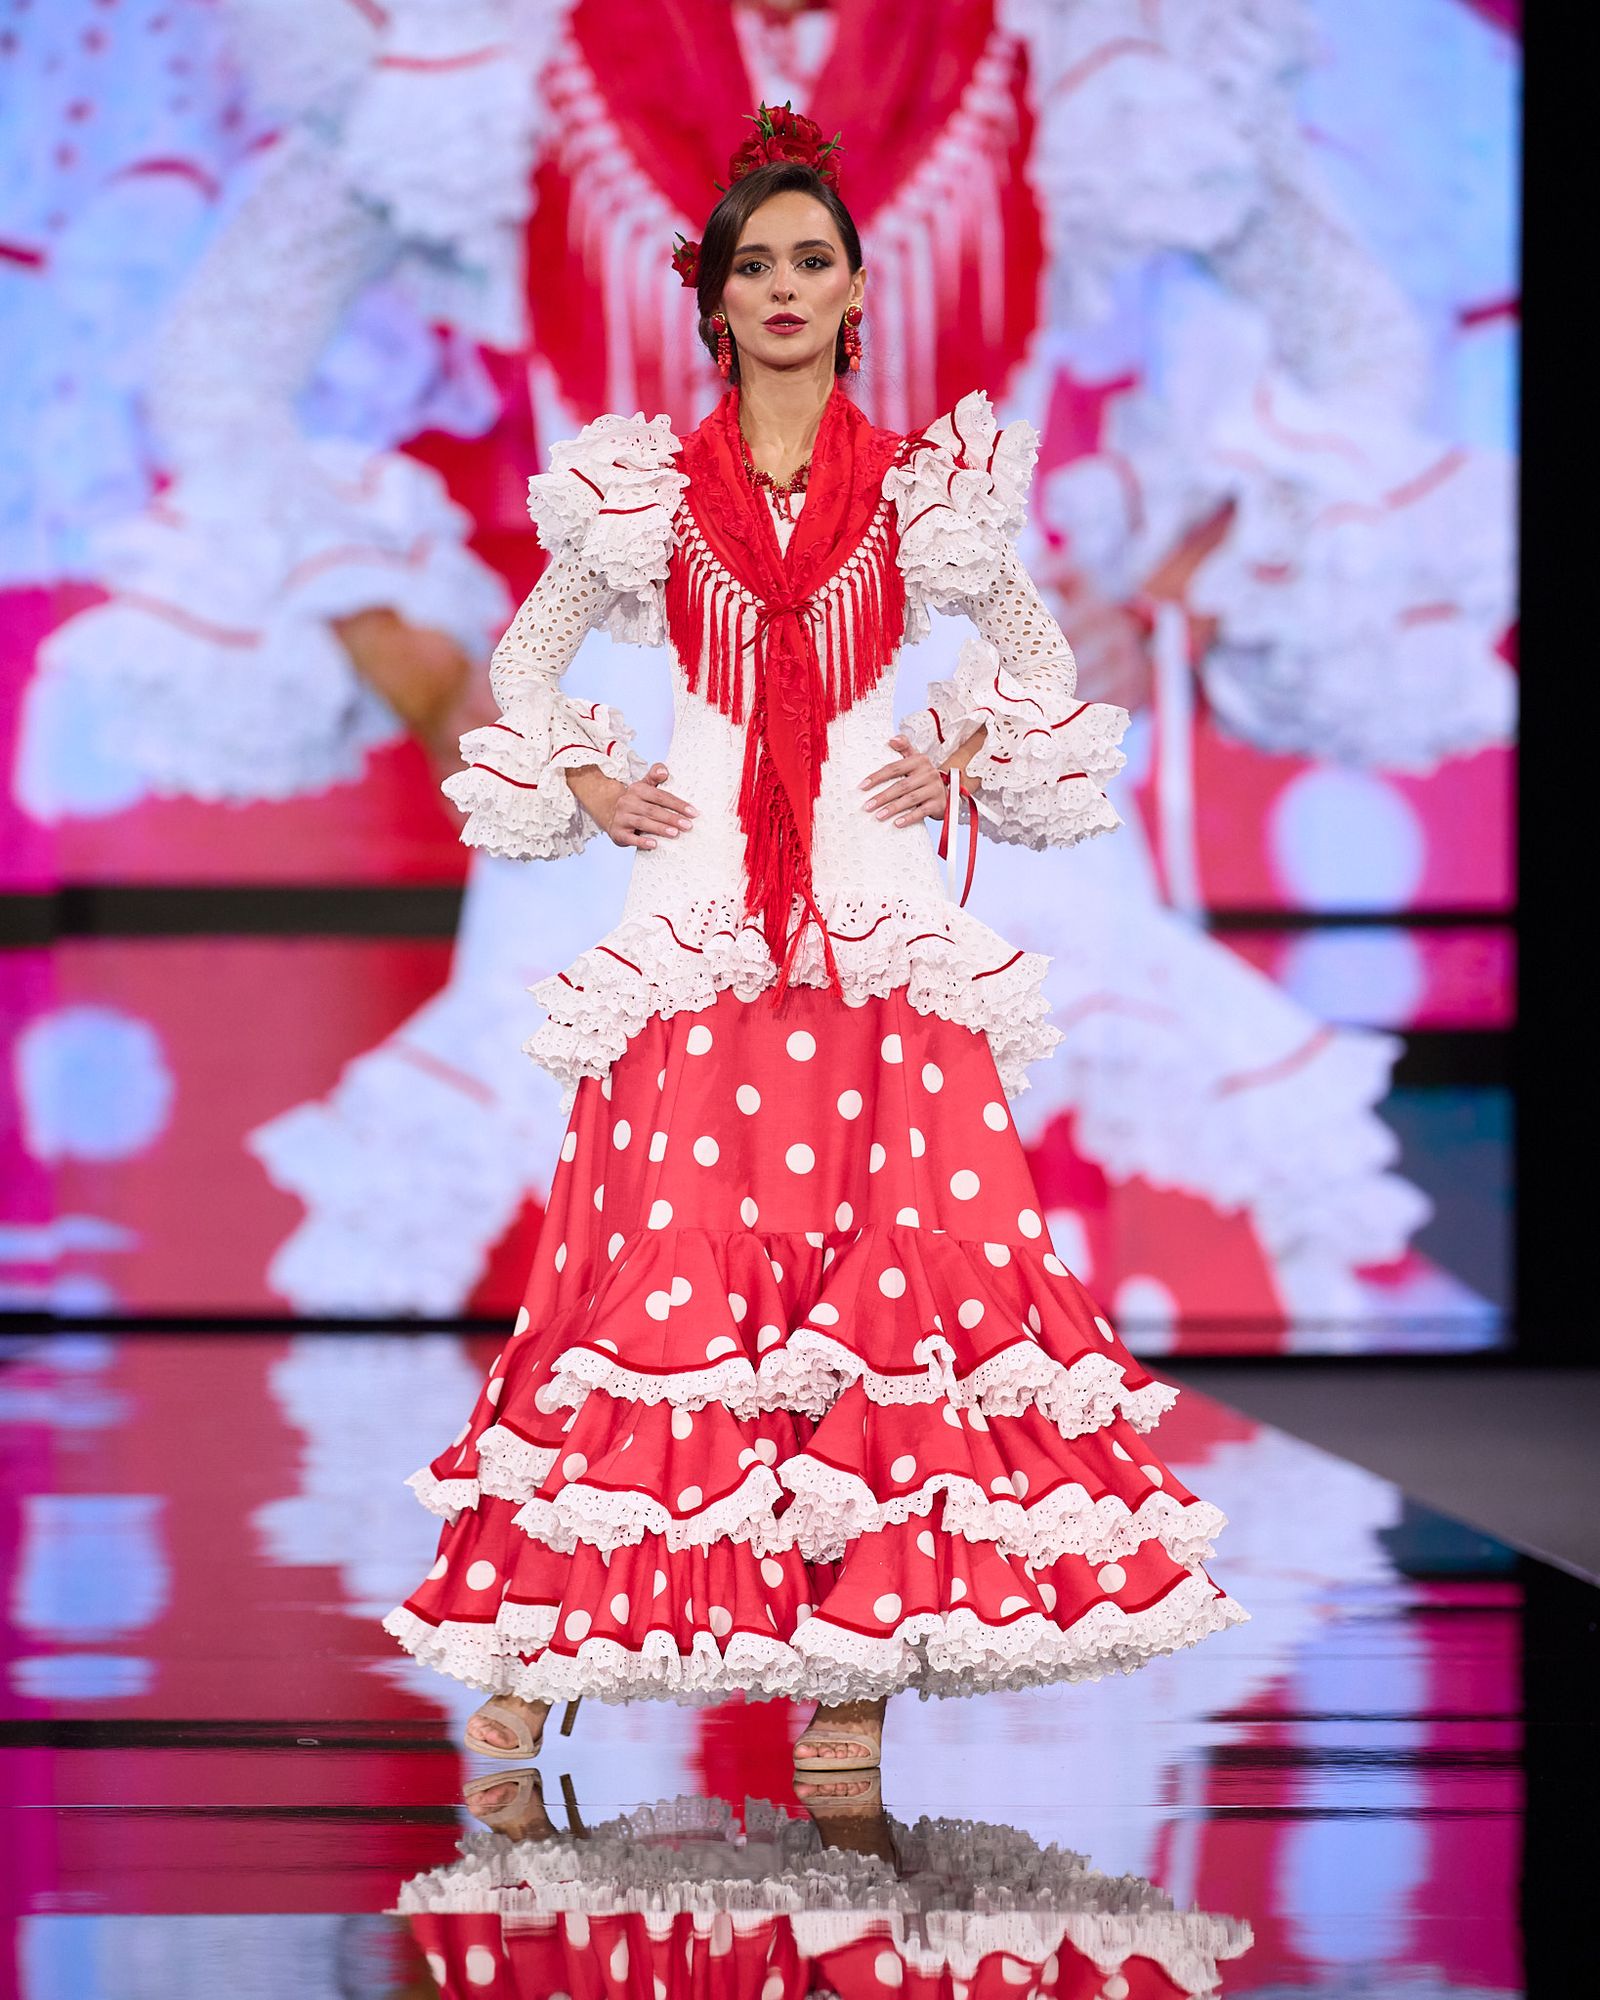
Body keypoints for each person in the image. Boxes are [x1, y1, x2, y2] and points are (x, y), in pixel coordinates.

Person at [383, 108, 1247, 1779]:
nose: (784, 286)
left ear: (859, 290)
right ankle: (544, 1648)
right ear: (712, 299)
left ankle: (849, 1671)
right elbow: (525, 663)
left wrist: (972, 752)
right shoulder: (645, 497)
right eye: (753, 264)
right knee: (659, 1272)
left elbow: (1040, 661)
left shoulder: (931, 499)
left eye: (812, 260)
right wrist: (575, 769)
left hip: (873, 929)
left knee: (884, 1283)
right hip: (697, 924)